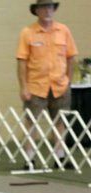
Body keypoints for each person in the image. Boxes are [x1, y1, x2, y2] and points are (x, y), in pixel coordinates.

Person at [16, 0, 78, 169]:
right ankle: (29, 159)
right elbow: (22, 61)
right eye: (43, 7)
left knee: (60, 122)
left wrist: (68, 81)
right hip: (36, 86)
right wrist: (24, 87)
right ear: (36, 10)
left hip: (60, 85)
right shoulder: (28, 32)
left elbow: (71, 58)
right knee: (32, 122)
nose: (47, 10)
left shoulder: (63, 30)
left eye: (50, 7)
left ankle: (60, 157)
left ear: (54, 9)